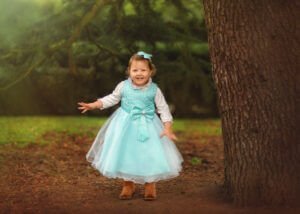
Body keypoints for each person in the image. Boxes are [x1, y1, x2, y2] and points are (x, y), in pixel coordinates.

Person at [77, 51, 183, 201]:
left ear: (150, 71)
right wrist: (95, 104)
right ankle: (128, 184)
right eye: (135, 70)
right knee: (126, 153)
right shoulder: (123, 86)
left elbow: (163, 108)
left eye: (143, 70)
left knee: (150, 153)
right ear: (129, 71)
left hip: (148, 124)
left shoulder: (155, 90)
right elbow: (112, 98)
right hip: (125, 125)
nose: (139, 73)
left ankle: (150, 183)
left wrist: (167, 127)